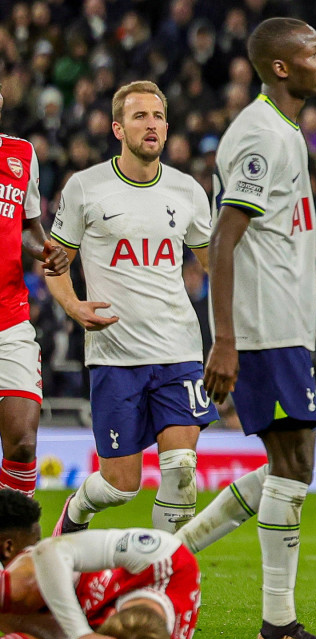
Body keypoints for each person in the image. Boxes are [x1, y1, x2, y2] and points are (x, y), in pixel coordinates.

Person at [177, 17, 316, 639]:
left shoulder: (283, 131)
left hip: (286, 324)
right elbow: (224, 242)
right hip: (260, 332)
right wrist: (225, 340)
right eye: (313, 52)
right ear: (281, 67)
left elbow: (276, 245)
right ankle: (278, 626)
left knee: (290, 466)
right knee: (295, 466)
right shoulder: (261, 136)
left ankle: (164, 557)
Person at [46, 80, 213, 538]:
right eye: (140, 116)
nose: (152, 124)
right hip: (114, 354)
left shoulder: (187, 191)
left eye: (158, 116)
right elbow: (55, 263)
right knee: (122, 485)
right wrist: (73, 305)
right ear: (118, 128)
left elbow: (214, 262)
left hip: (179, 349)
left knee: (181, 468)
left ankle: (162, 577)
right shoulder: (85, 187)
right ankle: (75, 514)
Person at [0, 489, 198, 639]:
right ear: (113, 613)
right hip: (58, 586)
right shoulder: (166, 558)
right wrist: (82, 634)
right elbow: (48, 552)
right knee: (30, 579)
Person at [0, 83, 70, 499]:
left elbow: (28, 228)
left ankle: (13, 548)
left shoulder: (21, 155)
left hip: (10, 316)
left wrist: (46, 252)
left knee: (24, 442)